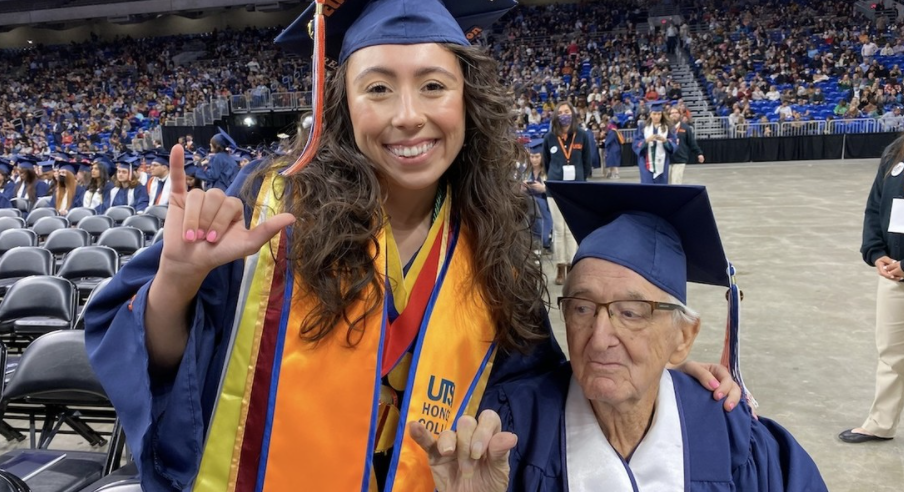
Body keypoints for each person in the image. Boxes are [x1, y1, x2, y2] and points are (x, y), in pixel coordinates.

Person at [85, 2, 740, 490]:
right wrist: (177, 280)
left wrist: (643, 364)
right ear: (341, 101)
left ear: (467, 100)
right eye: (377, 87)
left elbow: (534, 388)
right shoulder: (269, 202)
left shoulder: (492, 238)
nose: (407, 115)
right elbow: (165, 364)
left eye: (433, 85)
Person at [461, 182, 827, 490]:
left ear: (683, 338)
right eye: (582, 308)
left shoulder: (733, 438)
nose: (600, 338)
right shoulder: (511, 431)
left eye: (631, 313)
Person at [840, 134, 904, 443]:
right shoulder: (895, 152)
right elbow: (876, 207)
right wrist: (876, 253)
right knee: (891, 351)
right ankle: (881, 423)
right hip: (894, 275)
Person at [542, 101, 592, 285]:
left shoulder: (582, 136)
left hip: (575, 188)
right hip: (555, 189)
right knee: (558, 228)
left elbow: (587, 162)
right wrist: (553, 178)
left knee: (571, 229)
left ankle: (573, 265)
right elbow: (546, 163)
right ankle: (560, 267)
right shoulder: (549, 137)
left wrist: (580, 180)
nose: (564, 114)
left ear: (572, 113)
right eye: (560, 112)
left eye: (567, 111)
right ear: (556, 116)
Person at [633, 101, 677, 184]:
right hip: (646, 162)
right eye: (654, 114)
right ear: (650, 114)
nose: (656, 116)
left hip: (662, 161)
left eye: (659, 114)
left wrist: (665, 141)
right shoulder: (643, 127)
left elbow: (673, 142)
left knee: (661, 188)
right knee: (647, 187)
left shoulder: (668, 127)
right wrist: (646, 141)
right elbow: (636, 142)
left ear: (662, 114)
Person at [523, 140, 552, 255]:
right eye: (532, 156)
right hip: (528, 203)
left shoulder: (549, 171)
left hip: (545, 203)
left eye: (537, 156)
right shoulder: (525, 172)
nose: (534, 160)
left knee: (538, 203)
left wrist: (543, 189)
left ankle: (543, 240)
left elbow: (553, 190)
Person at [668, 106, 705, 185]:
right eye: (672, 113)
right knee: (665, 184)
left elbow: (691, 142)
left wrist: (699, 153)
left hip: (680, 159)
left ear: (680, 115)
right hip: (667, 159)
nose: (674, 115)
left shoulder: (686, 128)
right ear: (669, 115)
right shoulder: (665, 128)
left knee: (676, 183)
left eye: (676, 113)